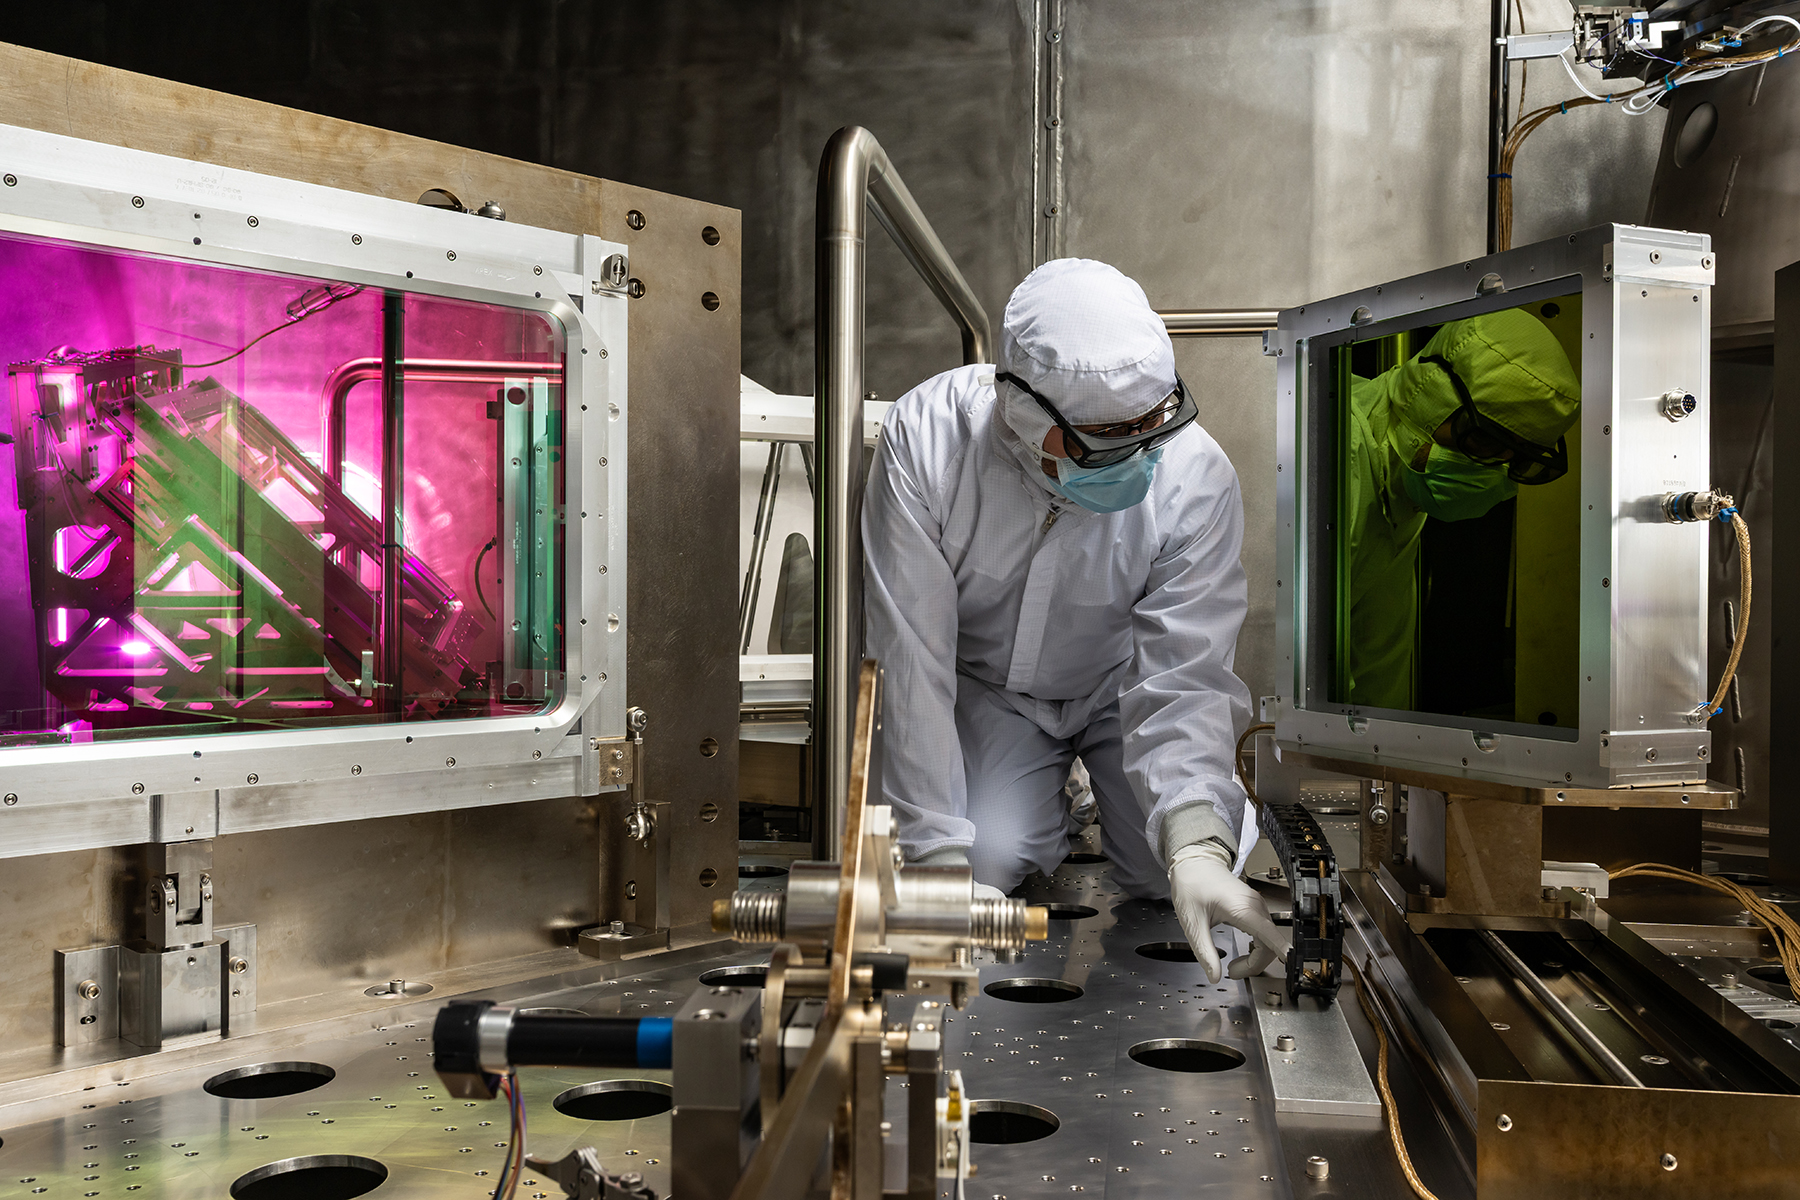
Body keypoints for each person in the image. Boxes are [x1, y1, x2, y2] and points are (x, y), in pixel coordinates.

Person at [863, 258, 1282, 984]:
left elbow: (1184, 673)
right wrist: (933, 863)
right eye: (1107, 440)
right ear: (1024, 416)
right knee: (988, 857)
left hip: (1125, 687)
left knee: (1172, 875)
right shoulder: (928, 441)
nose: (1138, 457)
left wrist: (1198, 848)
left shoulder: (1195, 477)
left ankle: (1111, 801)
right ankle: (1061, 799)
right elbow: (910, 660)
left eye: (1151, 427)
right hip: (990, 688)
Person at [1344, 310, 1580, 709]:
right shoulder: (1337, 459)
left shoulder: (1400, 493)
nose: (1491, 477)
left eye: (1515, 460)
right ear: (1429, 393)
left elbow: (1378, 679)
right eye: (1484, 443)